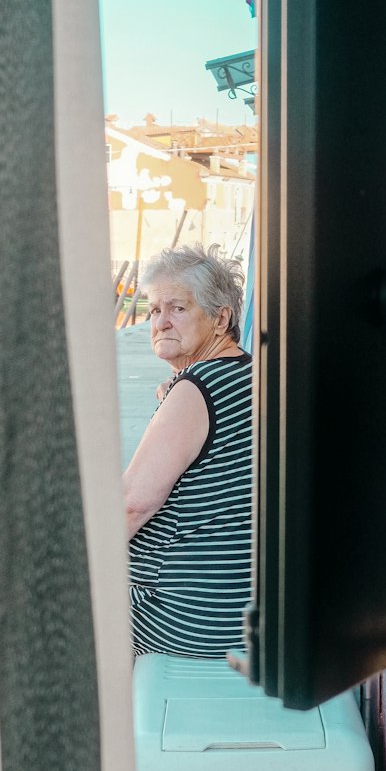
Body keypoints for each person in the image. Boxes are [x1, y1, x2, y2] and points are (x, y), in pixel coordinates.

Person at [124, 244, 252, 657]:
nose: (159, 322)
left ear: (220, 319)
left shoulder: (197, 389)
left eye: (176, 308)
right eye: (153, 310)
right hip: (239, 606)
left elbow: (132, 505)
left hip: (185, 613)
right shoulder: (249, 374)